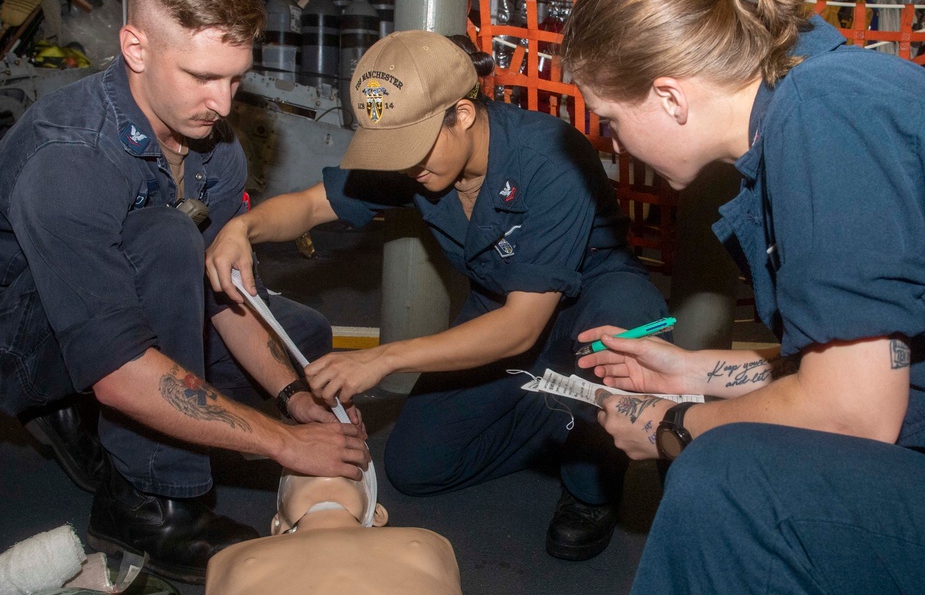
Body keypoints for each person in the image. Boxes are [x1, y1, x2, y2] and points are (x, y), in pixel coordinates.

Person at [559, 0, 925, 593]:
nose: (617, 145)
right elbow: (865, 364)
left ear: (670, 97)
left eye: (612, 122)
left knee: (726, 479)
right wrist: (694, 373)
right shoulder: (813, 95)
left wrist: (670, 426)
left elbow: (854, 412)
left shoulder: (825, 118)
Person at [206, 30, 669, 561]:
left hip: (591, 304)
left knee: (613, 348)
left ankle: (592, 482)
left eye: (415, 148)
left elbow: (521, 327)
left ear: (464, 115)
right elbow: (311, 207)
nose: (406, 166)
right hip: (501, 305)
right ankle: (557, 414)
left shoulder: (549, 157)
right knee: (418, 468)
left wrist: (383, 359)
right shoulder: (414, 161)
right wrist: (243, 228)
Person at [0, 0, 369, 584]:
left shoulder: (212, 145)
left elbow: (226, 294)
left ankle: (86, 420)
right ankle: (145, 502)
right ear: (135, 49)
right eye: (202, 77)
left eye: (234, 78)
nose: (224, 105)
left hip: (125, 300)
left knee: (302, 345)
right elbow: (120, 370)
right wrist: (284, 442)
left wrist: (289, 397)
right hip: (24, 337)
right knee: (168, 239)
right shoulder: (69, 162)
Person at [205, 470, 462, 594]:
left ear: (377, 515)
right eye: (303, 462)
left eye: (347, 462)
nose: (323, 462)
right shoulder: (229, 559)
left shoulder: (428, 542)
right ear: (277, 524)